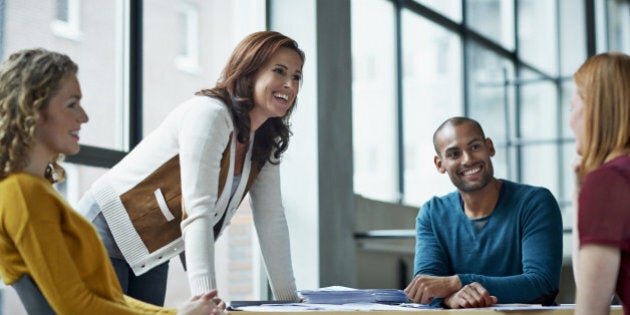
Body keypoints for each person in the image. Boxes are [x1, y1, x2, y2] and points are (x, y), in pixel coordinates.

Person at [76, 30, 304, 305]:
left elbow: (271, 220)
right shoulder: (211, 114)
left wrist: (290, 304)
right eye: (279, 71)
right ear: (250, 70)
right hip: (101, 231)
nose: (289, 84)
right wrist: (206, 297)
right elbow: (198, 210)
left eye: (296, 76)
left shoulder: (265, 138)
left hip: (151, 245)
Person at [0, 48, 224, 314]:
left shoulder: (35, 190)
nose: (84, 117)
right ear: (33, 108)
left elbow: (104, 296)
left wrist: (176, 313)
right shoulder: (23, 193)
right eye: (72, 104)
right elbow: (75, 307)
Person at [404, 117, 563, 308]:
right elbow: (426, 287)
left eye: (474, 147)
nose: (468, 159)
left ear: (490, 147)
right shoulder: (432, 213)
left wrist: (457, 283)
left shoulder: (535, 202)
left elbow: (542, 283)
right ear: (440, 164)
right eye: (454, 154)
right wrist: (450, 299)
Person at [570, 52, 630, 315]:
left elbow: (591, 306)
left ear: (594, 109)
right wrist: (579, 194)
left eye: (572, 107)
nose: (570, 121)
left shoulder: (610, 182)